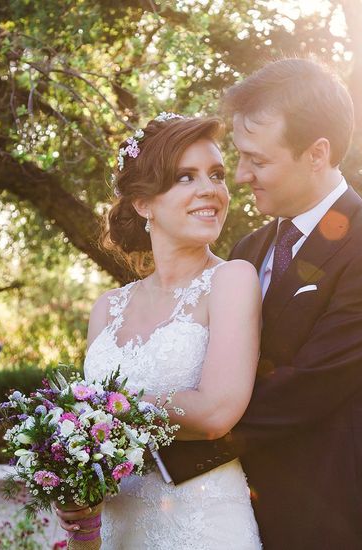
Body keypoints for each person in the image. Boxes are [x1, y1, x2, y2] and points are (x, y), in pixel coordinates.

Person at [155, 58, 362, 549]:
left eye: (257, 160)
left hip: (332, 520)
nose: (240, 176)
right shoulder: (249, 250)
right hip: (234, 516)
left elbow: (308, 388)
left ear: (316, 153)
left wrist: (155, 458)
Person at [73, 113, 264, 549]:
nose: (210, 190)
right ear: (143, 203)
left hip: (203, 527)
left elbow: (216, 413)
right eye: (185, 177)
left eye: (216, 174)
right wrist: (74, 488)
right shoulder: (108, 308)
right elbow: (93, 445)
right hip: (120, 529)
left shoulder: (231, 280)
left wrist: (104, 411)